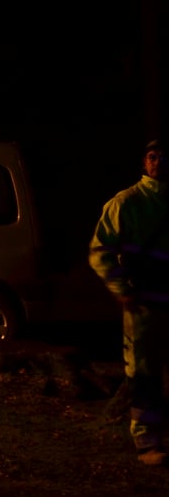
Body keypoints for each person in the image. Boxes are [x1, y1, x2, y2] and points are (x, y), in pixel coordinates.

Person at [88, 137, 169, 467]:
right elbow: (99, 250)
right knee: (144, 373)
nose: (159, 161)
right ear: (144, 162)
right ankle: (146, 441)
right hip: (143, 302)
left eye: (164, 155)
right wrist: (122, 287)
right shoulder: (125, 203)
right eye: (153, 155)